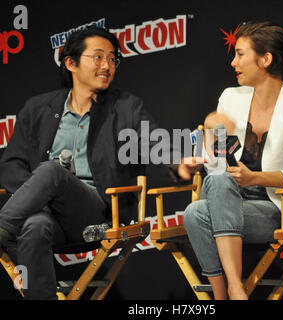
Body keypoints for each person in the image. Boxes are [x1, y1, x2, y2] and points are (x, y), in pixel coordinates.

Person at [0, 26, 180, 299]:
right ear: (71, 63)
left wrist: (179, 163)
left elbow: (156, 143)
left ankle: (2, 228)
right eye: (98, 57)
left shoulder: (125, 107)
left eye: (112, 59)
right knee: (35, 226)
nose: (107, 65)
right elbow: (10, 164)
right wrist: (39, 194)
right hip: (47, 215)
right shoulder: (38, 108)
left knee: (51, 171)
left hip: (99, 216)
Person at [181, 21, 283, 300]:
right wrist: (202, 151)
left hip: (275, 207)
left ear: (266, 59)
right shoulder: (230, 97)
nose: (233, 62)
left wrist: (255, 178)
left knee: (195, 214)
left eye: (240, 54)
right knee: (215, 184)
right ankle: (231, 290)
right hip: (227, 198)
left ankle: (229, 291)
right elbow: (216, 163)